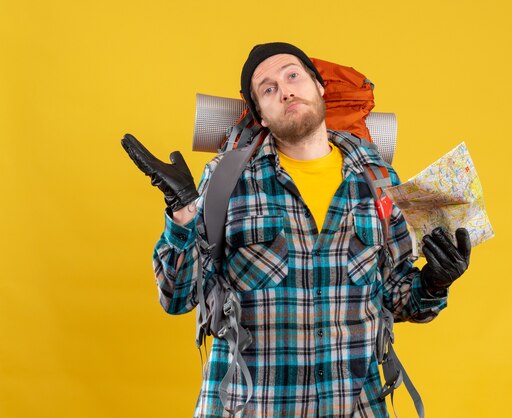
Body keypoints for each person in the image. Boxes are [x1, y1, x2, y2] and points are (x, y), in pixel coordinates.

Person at [122, 42, 471, 418]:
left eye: (293, 75)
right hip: (252, 408)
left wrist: (435, 282)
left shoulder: (377, 177)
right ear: (262, 115)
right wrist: (184, 212)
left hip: (355, 406)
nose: (285, 89)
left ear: (319, 86)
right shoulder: (227, 179)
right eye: (268, 89)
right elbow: (178, 298)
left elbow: (397, 298)